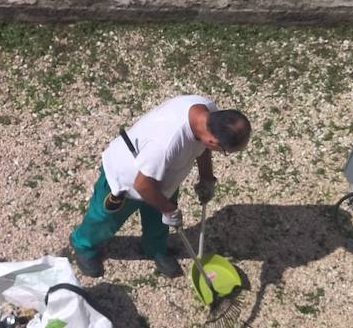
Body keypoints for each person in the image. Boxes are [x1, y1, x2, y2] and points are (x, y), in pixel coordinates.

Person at [69, 96, 251, 279]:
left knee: (158, 220)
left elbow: (201, 146)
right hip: (128, 182)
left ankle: (154, 248)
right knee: (105, 220)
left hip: (163, 176)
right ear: (214, 141)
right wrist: (168, 208)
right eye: (226, 152)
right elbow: (142, 185)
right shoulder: (166, 144)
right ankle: (83, 244)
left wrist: (206, 177)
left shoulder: (207, 113)